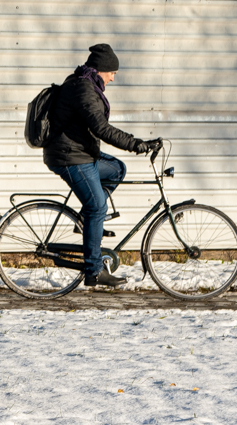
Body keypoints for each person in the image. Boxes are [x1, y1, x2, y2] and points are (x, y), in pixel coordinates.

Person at [43, 44, 156, 287]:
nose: (113, 78)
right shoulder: (83, 88)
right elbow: (100, 128)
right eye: (112, 72)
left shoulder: (85, 84)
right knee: (97, 206)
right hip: (69, 156)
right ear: (101, 69)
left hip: (81, 153)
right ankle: (94, 271)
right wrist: (136, 144)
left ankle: (87, 221)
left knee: (117, 169)